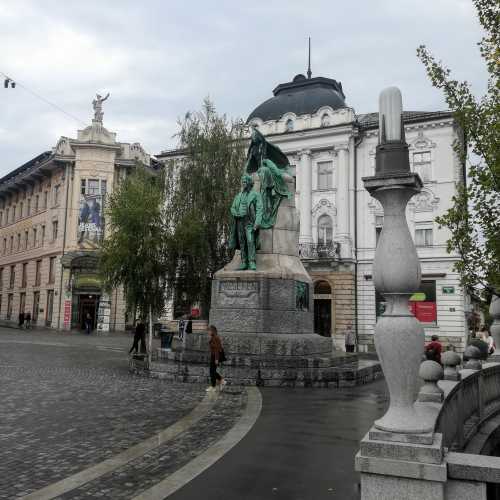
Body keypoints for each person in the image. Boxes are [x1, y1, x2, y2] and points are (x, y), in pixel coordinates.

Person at [229, 174, 263, 271]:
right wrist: (235, 213)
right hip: (239, 221)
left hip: (250, 222)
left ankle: (252, 261)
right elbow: (232, 207)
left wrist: (257, 223)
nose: (243, 184)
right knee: (242, 241)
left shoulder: (255, 194)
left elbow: (260, 209)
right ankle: (244, 262)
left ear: (249, 183)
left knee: (250, 240)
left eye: (244, 182)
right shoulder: (238, 195)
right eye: (242, 182)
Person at [207, 325, 225, 393]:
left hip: (215, 356)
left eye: (209, 331)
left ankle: (214, 386)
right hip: (213, 356)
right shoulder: (213, 337)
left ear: (212, 331)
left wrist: (216, 359)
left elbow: (217, 349)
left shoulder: (215, 338)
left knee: (212, 372)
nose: (208, 332)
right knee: (212, 371)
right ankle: (220, 382)